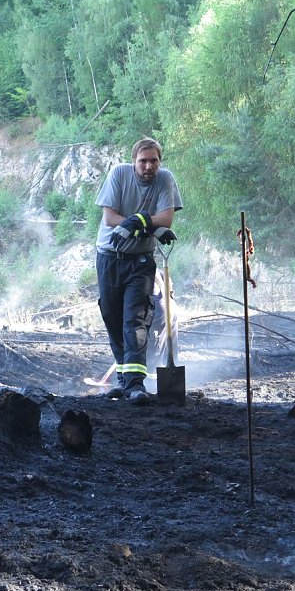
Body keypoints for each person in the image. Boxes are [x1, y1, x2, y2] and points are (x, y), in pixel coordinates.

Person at [95, 137, 183, 403]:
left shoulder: (165, 179)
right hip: (109, 257)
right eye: (143, 161)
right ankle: (124, 381)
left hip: (141, 260)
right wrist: (148, 224)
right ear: (133, 161)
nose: (148, 166)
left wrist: (138, 221)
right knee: (112, 318)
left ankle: (136, 386)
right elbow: (110, 218)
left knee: (135, 320)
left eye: (154, 161)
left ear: (160, 162)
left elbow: (166, 218)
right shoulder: (119, 174)